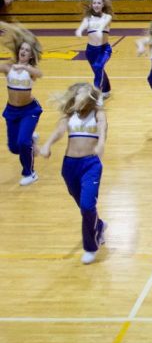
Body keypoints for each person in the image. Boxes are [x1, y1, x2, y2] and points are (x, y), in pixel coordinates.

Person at [38, 83, 108, 264]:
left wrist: (101, 144)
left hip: (91, 165)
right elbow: (59, 131)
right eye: (77, 94)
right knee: (85, 208)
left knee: (87, 206)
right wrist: (46, 145)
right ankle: (99, 226)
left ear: (90, 97)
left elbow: (102, 128)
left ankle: (91, 247)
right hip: (69, 167)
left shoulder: (98, 113)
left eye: (83, 94)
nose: (79, 97)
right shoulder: (69, 114)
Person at [1, 23, 42, 186]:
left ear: (31, 56)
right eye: (22, 49)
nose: (23, 52)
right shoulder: (7, 67)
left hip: (29, 110)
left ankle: (30, 173)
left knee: (23, 143)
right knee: (14, 148)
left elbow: (39, 73)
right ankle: (31, 138)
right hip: (12, 111)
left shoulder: (31, 70)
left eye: (27, 50)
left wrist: (23, 67)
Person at [75, 0, 113, 98]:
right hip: (90, 51)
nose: (96, 5)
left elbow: (104, 23)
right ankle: (106, 89)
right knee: (98, 70)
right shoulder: (88, 18)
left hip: (104, 49)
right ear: (91, 5)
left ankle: (97, 94)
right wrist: (79, 31)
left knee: (98, 67)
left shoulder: (107, 17)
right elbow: (83, 25)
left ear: (103, 5)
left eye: (99, 3)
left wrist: (100, 29)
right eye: (94, 3)